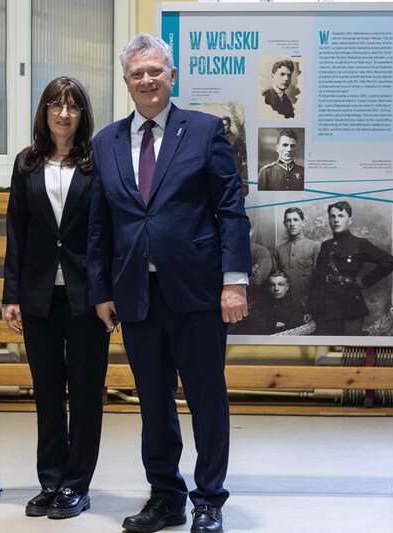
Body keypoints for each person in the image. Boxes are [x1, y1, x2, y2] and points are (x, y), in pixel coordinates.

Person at [88, 33, 251, 533]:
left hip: (198, 292)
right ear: (125, 81)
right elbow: (100, 224)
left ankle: (209, 500)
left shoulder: (204, 131)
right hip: (136, 294)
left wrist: (234, 282)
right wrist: (101, 290)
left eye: (155, 70)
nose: (147, 80)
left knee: (206, 399)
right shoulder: (106, 141)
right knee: (153, 403)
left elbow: (230, 209)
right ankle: (165, 497)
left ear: (172, 75)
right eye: (137, 73)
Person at [2, 77, 110, 519]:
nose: (63, 114)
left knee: (85, 390)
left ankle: (76, 484)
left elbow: (108, 231)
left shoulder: (97, 162)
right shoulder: (26, 162)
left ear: (83, 114)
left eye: (72, 106)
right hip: (38, 294)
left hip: (88, 296)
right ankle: (50, 480)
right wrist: (11, 295)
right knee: (47, 391)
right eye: (55, 105)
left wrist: (107, 291)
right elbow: (16, 230)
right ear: (44, 112)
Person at [309, 201, 393, 335]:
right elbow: (317, 278)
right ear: (329, 220)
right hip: (326, 307)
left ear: (350, 220)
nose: (336, 220)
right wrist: (311, 309)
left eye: (341, 216)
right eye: (332, 216)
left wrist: (365, 281)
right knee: (326, 344)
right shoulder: (326, 245)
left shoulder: (360, 244)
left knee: (349, 345)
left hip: (350, 307)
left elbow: (390, 262)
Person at [274, 207, 320, 311]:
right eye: (288, 220)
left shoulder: (314, 247)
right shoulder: (279, 250)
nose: (292, 224)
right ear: (284, 224)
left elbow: (318, 282)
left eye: (295, 220)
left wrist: (311, 309)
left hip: (306, 306)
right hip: (283, 307)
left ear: (303, 222)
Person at [221, 116, 248, 196]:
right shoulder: (217, 139)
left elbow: (243, 155)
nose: (222, 127)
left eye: (225, 125)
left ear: (230, 125)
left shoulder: (236, 139)